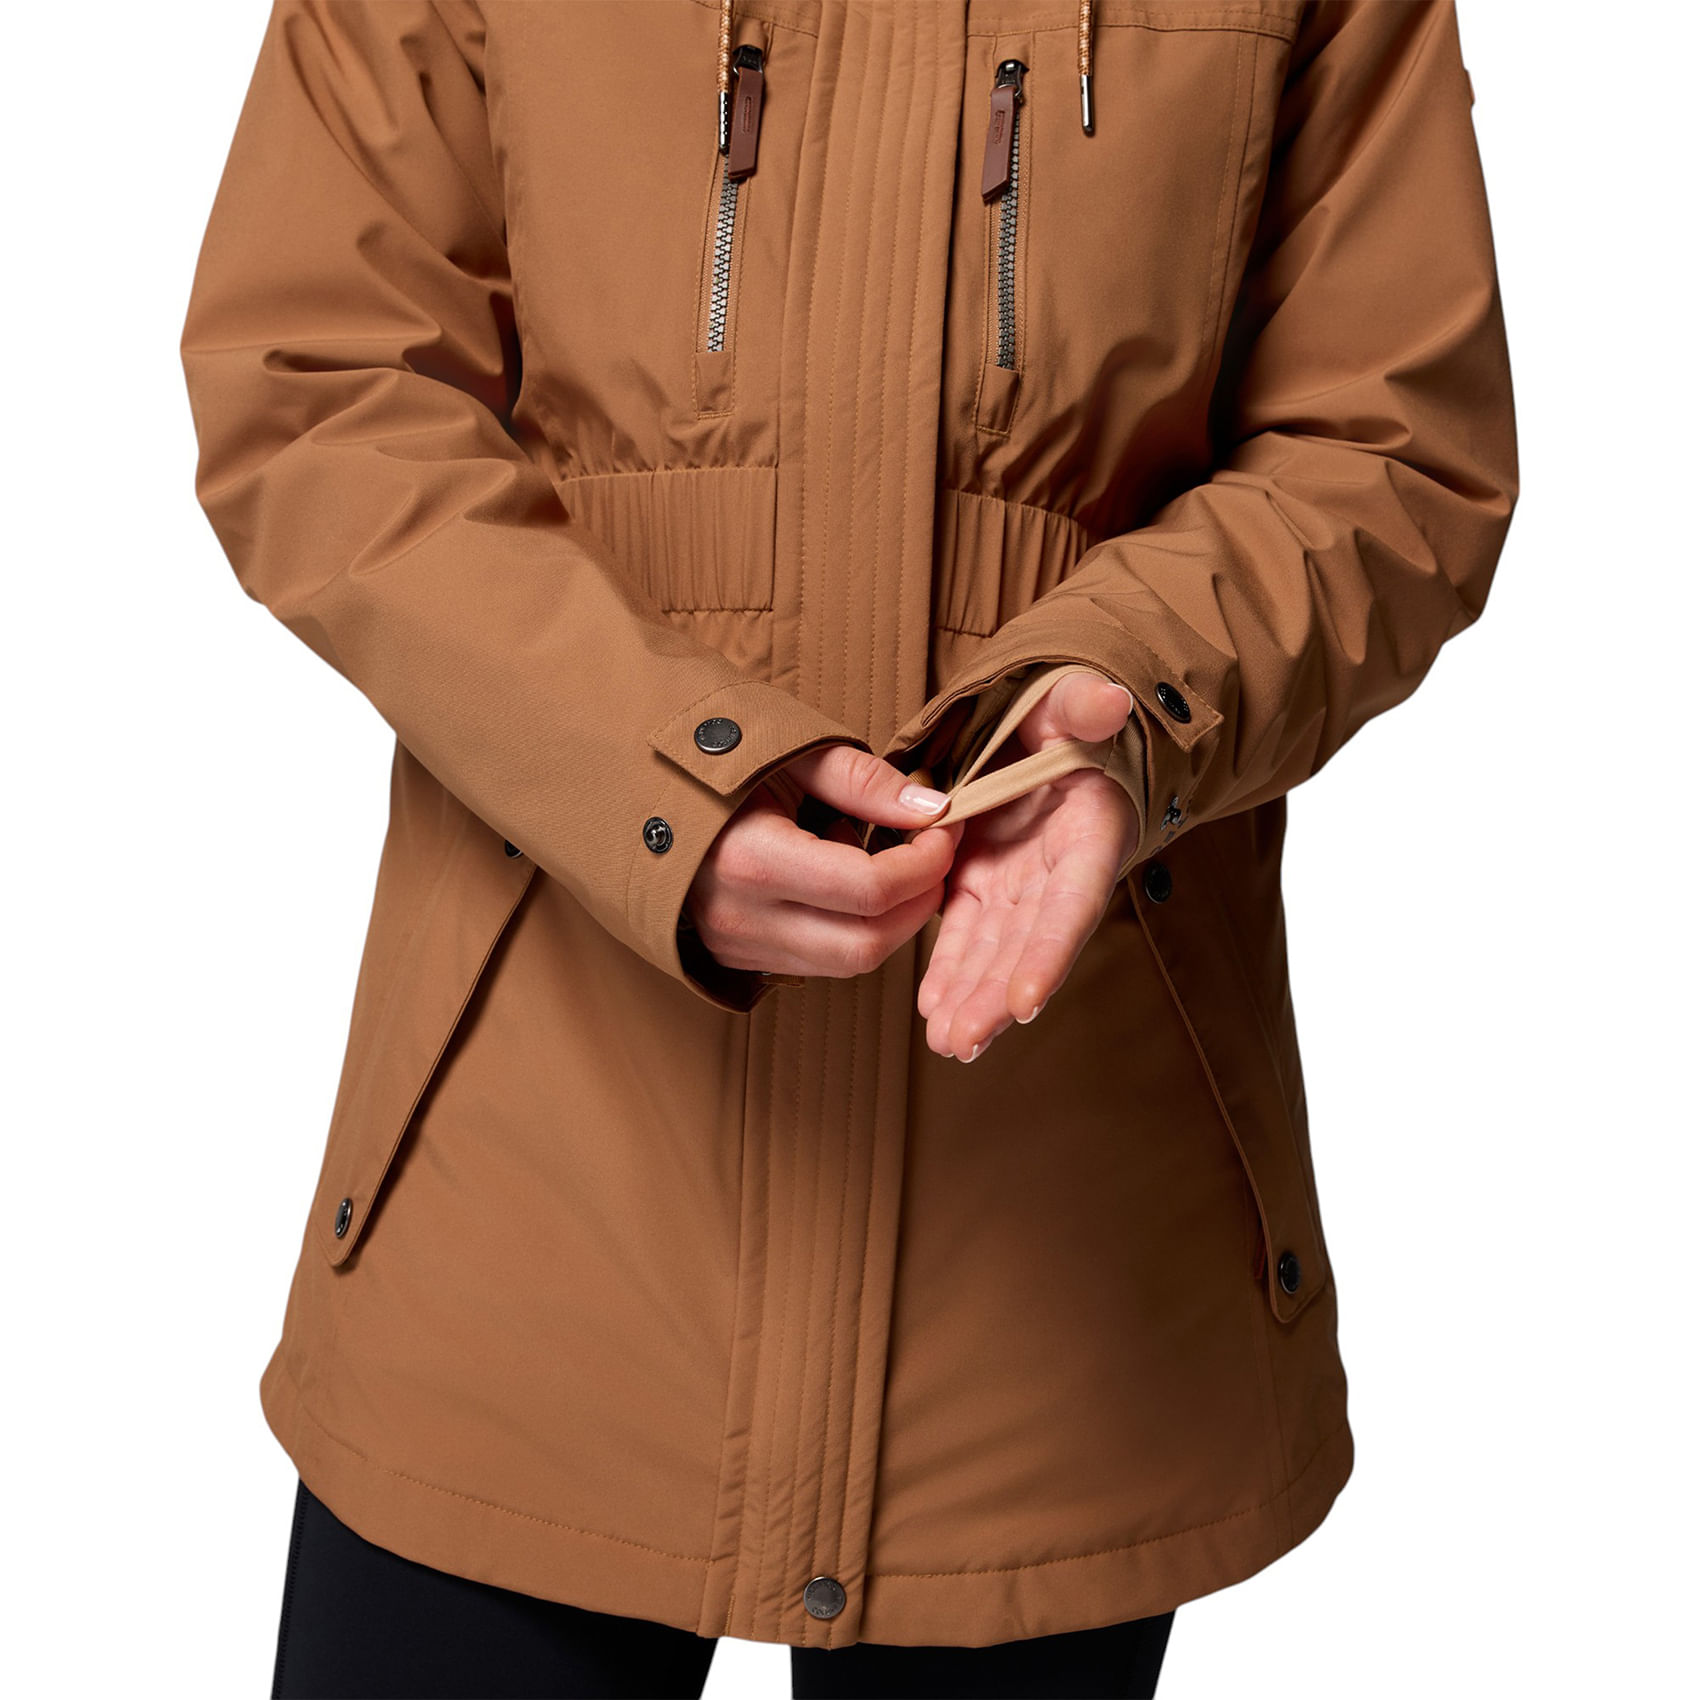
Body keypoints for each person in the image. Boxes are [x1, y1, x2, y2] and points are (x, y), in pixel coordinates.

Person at [179, 1, 1517, 1695]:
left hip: (1056, 1239)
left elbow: (1391, 451)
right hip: (528, 1196)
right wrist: (658, 779)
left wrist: (1120, 702)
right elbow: (320, 387)